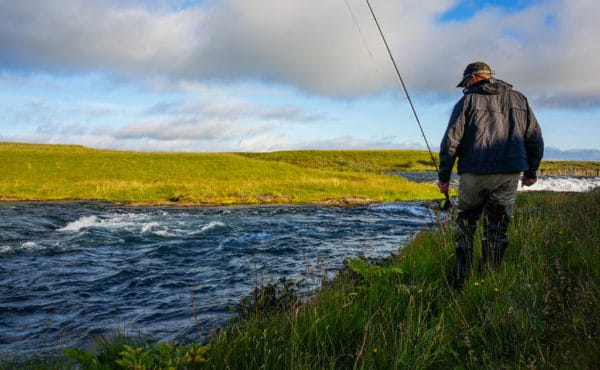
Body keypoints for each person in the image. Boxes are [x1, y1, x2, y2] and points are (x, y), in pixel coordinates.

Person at [438, 61, 544, 288]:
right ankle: (489, 279)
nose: (465, 87)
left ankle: (463, 280)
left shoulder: (467, 101)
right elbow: (534, 138)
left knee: (466, 224)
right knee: (498, 227)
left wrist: (444, 178)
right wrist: (531, 172)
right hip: (509, 173)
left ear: (473, 78)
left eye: (466, 82)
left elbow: (450, 142)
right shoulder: (519, 99)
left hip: (474, 172)